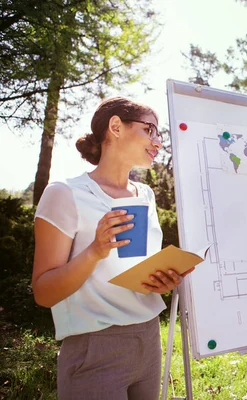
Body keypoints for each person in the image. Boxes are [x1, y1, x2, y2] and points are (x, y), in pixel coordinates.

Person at [32, 97, 193, 399]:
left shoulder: (145, 194)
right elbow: (43, 292)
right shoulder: (64, 193)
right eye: (150, 130)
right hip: (94, 349)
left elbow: (132, 272)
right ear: (116, 126)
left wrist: (161, 281)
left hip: (148, 340)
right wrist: (94, 250)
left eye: (159, 134)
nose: (157, 141)